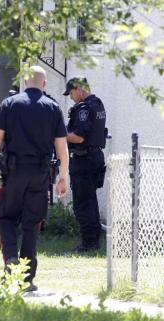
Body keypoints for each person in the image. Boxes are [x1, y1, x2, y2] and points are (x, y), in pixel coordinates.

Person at [0, 66, 69, 291]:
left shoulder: (10, 104)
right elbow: (62, 147)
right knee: (32, 223)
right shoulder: (53, 107)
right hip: (40, 175)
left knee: (5, 218)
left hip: (13, 174)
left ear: (24, 82)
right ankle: (26, 278)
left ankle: (10, 261)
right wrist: (63, 177)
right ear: (44, 84)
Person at [63, 76, 106, 253]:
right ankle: (93, 241)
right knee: (90, 202)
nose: (71, 97)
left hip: (84, 160)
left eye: (71, 93)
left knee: (82, 204)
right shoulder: (98, 104)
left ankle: (88, 244)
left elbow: (79, 137)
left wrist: (58, 133)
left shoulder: (84, 109)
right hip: (94, 158)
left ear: (79, 89)